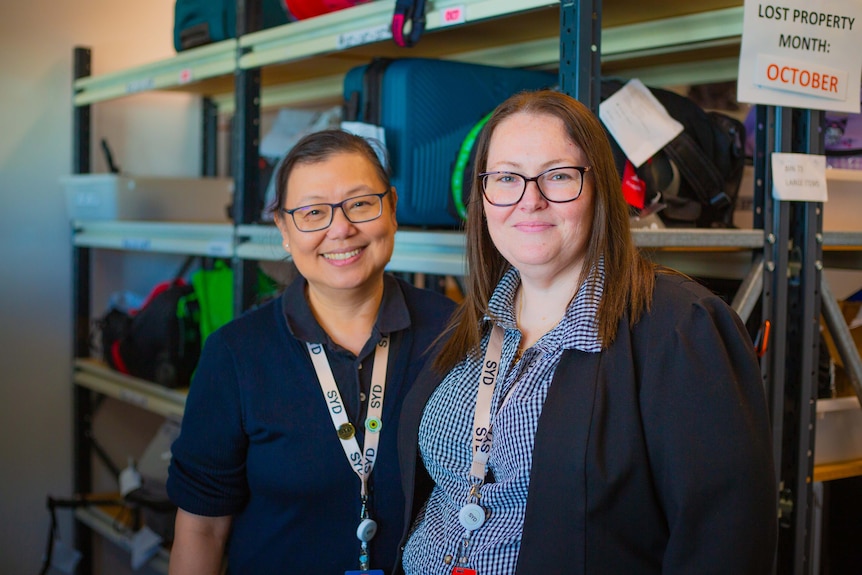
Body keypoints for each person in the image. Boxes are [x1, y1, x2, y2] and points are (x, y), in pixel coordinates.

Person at [396, 90, 777, 574]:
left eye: (558, 176)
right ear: (483, 196)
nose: (529, 200)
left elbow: (725, 543)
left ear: (600, 189)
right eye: (507, 178)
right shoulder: (473, 322)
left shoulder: (681, 327)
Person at [166, 129, 456, 574]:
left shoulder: (456, 335)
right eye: (313, 212)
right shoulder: (235, 354)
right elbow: (202, 529)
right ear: (283, 230)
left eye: (360, 204)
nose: (340, 229)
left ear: (392, 209)